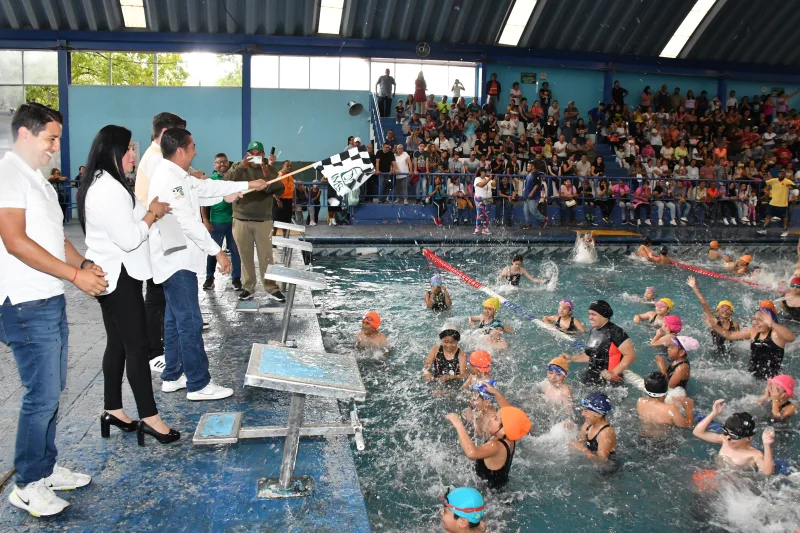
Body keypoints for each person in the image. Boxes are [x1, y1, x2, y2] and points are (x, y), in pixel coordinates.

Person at [0, 103, 106, 517]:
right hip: (25, 300)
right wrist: (74, 276)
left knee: (52, 389)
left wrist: (79, 264)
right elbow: (14, 241)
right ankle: (27, 484)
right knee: (41, 393)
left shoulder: (38, 181)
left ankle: (43, 468)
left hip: (48, 295)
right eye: (51, 138)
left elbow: (51, 237)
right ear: (24, 134)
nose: (56, 147)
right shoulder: (8, 175)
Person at [77, 124, 179, 446]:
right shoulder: (107, 188)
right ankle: (150, 419)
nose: (133, 154)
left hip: (116, 274)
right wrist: (152, 214)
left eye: (134, 148)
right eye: (129, 149)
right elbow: (130, 238)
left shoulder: (110, 182)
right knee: (137, 347)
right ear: (113, 152)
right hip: (119, 277)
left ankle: (113, 410)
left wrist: (150, 211)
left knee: (119, 344)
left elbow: (131, 220)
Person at [148, 128, 263, 401]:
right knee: (189, 320)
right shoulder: (167, 178)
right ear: (181, 150)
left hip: (177, 259)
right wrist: (218, 252)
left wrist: (246, 186)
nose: (196, 150)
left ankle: (173, 375)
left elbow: (207, 188)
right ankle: (198, 384)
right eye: (193, 146)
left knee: (175, 319)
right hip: (176, 260)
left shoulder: (179, 176)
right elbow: (187, 220)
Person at [134, 112, 187, 373]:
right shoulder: (157, 160)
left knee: (161, 295)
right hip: (156, 229)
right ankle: (154, 350)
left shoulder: (158, 157)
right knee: (156, 295)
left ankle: (160, 344)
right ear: (166, 132)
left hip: (159, 227)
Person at [222, 141, 286, 302]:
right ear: (247, 154)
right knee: (245, 255)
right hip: (241, 219)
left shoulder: (269, 169)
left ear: (263, 155)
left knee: (266, 256)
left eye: (259, 153)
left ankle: (271, 287)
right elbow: (226, 182)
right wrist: (242, 166)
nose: (255, 156)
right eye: (252, 153)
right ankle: (248, 286)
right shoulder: (238, 166)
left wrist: (267, 174)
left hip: (263, 220)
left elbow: (280, 189)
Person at [446, 384, 531, 490]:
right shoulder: (510, 437)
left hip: (489, 496)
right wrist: (496, 393)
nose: (491, 419)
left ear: (504, 430)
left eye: (495, 419)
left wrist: (458, 424)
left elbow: (471, 453)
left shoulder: (496, 445)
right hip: (500, 488)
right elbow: (508, 410)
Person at [705, 307, 795, 380]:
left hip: (772, 379)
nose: (756, 322)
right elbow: (730, 335)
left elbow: (791, 338)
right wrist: (714, 326)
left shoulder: (775, 334)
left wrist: (772, 323)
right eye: (755, 319)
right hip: (752, 376)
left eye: (760, 320)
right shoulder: (753, 332)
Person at [693, 399, 775, 475]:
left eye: (734, 435)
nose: (728, 437)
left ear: (749, 438)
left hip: (734, 485)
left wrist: (767, 445)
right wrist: (714, 413)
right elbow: (698, 432)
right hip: (717, 475)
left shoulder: (754, 454)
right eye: (726, 432)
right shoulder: (724, 440)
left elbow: (767, 472)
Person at [563, 300, 636, 384]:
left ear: (604, 316)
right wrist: (572, 358)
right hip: (592, 375)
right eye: (589, 314)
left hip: (610, 383)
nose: (590, 317)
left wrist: (614, 372)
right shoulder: (594, 330)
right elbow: (592, 356)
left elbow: (630, 355)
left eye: (594, 314)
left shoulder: (616, 332)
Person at [202, 153, 241, 291]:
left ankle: (236, 279)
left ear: (228, 163)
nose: (222, 164)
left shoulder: (233, 181)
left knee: (236, 252)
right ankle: (209, 278)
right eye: (219, 162)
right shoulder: (210, 181)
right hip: (216, 222)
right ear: (214, 165)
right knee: (213, 251)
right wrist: (206, 221)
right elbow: (203, 204)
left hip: (234, 222)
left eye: (224, 162)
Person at [688, 276, 740, 356]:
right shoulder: (714, 320)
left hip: (730, 353)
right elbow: (704, 304)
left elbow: (739, 340)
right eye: (722, 307)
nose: (725, 310)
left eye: (728, 308)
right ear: (718, 310)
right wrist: (694, 287)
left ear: (731, 312)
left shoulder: (735, 325)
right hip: (714, 353)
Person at [571, 392, 616, 460]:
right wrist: (571, 428)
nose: (582, 414)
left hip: (610, 468)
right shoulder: (588, 424)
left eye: (586, 411)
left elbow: (603, 463)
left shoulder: (605, 434)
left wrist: (585, 451)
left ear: (599, 414)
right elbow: (580, 440)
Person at [756, 171, 794, 238]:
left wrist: (791, 187)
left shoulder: (788, 181)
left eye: (782, 174)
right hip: (773, 202)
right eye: (779, 174)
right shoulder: (774, 180)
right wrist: (764, 179)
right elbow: (764, 183)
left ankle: (785, 231)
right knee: (768, 216)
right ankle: (764, 229)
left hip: (783, 204)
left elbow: (795, 186)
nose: (780, 175)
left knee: (785, 218)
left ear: (784, 175)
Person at [273, 160, 296, 238]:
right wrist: (278, 201)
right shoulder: (279, 175)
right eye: (287, 166)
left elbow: (291, 190)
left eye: (290, 166)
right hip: (279, 201)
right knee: (275, 223)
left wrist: (292, 202)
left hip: (288, 201)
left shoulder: (290, 176)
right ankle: (272, 242)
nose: (289, 167)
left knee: (286, 223)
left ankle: (285, 240)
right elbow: (273, 189)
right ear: (283, 166)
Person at [473, 169, 492, 235]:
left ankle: (484, 228)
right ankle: (478, 228)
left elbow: (494, 184)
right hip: (479, 198)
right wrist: (488, 179)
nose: (486, 173)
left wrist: (494, 179)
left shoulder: (486, 178)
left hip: (486, 198)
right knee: (480, 213)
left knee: (486, 214)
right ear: (481, 172)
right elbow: (481, 185)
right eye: (484, 172)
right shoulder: (477, 179)